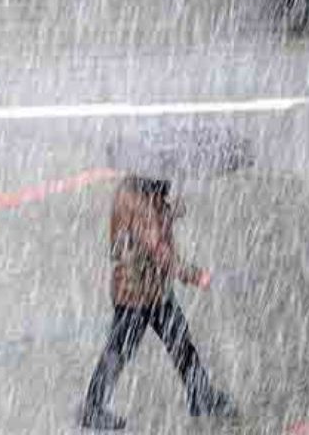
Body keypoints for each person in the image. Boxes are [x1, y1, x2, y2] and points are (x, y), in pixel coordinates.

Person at [81, 176, 238, 431]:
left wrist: (168, 210)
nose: (169, 185)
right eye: (165, 185)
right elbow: (160, 252)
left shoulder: (134, 191)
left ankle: (200, 393)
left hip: (150, 289)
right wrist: (197, 276)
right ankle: (93, 407)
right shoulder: (142, 206)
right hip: (137, 294)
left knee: (179, 341)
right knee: (120, 350)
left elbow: (141, 229)